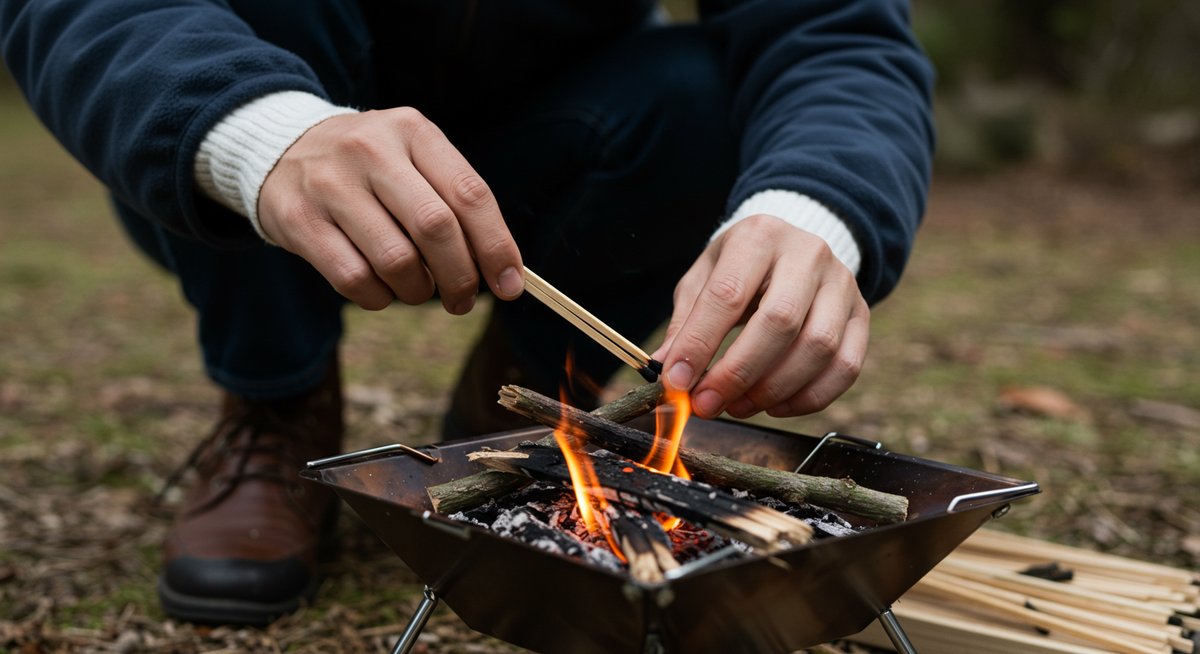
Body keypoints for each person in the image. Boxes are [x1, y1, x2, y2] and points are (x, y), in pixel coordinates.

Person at [0, 0, 934, 626]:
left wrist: (817, 205)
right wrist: (262, 131)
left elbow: (836, 30)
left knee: (695, 88)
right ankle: (275, 402)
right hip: (277, 101)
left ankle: (512, 410)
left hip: (560, 127)